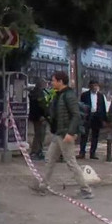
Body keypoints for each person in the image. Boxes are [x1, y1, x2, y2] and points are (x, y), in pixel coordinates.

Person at [32, 71, 93, 199]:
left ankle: (86, 190)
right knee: (49, 159)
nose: (51, 83)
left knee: (71, 162)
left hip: (65, 134)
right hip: (58, 133)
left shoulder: (68, 95)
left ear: (60, 81)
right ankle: (43, 186)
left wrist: (71, 133)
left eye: (53, 80)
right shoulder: (58, 94)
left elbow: (76, 115)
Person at [79, 79, 108, 159]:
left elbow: (103, 108)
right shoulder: (85, 95)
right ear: (90, 86)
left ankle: (93, 153)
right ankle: (82, 152)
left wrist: (104, 119)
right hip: (87, 116)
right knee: (84, 135)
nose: (95, 87)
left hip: (97, 117)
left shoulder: (100, 96)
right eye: (93, 86)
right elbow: (81, 106)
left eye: (96, 86)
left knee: (95, 135)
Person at [28, 79, 49, 160]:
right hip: (40, 117)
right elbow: (41, 106)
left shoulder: (33, 93)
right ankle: (36, 151)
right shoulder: (39, 94)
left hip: (35, 117)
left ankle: (36, 151)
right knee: (40, 135)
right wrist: (43, 115)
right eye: (45, 84)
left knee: (38, 134)